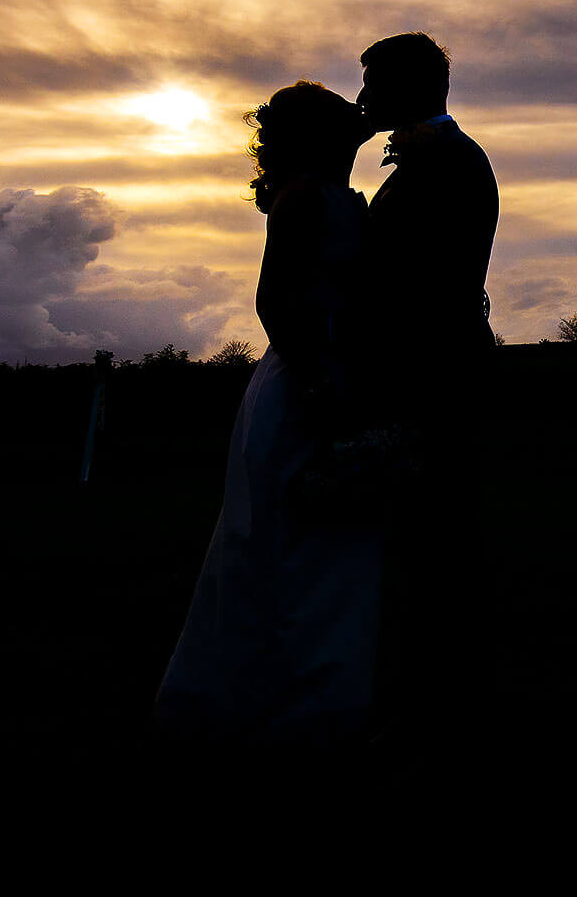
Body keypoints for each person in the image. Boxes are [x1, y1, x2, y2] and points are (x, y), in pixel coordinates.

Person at [151, 81, 382, 793]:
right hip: (305, 382)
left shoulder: (333, 194)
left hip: (329, 371)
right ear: (320, 136)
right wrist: (321, 381)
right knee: (283, 541)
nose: (360, 119)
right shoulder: (305, 196)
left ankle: (302, 700)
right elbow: (275, 298)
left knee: (315, 551)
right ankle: (274, 709)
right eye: (343, 117)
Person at [354, 32, 501, 780]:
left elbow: (411, 282)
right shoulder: (439, 158)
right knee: (427, 542)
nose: (363, 100)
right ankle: (436, 703)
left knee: (435, 539)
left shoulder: (447, 164)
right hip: (433, 370)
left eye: (373, 83)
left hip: (433, 377)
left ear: (413, 87)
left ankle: (439, 716)